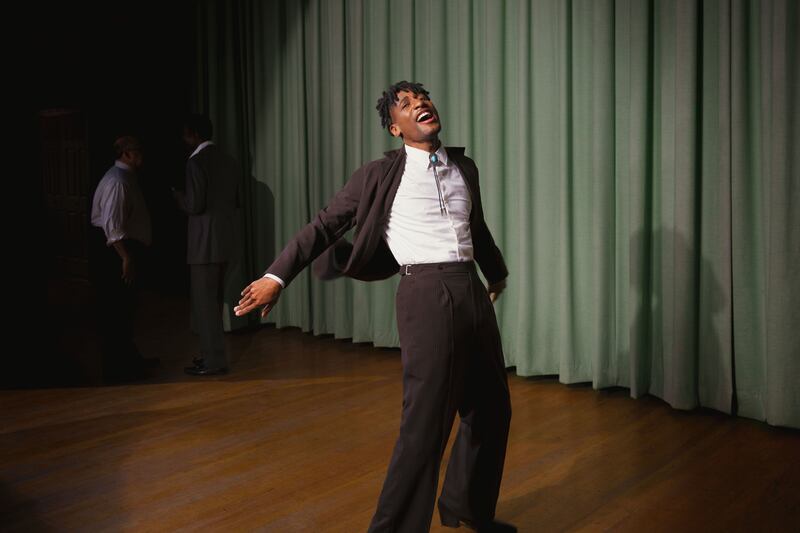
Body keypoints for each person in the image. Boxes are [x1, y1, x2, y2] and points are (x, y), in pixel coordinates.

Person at [235, 81, 515, 532]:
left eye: (422, 98)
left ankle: (468, 505)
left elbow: (476, 228)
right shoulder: (379, 175)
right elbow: (324, 226)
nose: (419, 104)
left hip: (471, 289)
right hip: (426, 293)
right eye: (406, 103)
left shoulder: (464, 167)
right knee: (425, 425)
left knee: (492, 409)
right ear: (395, 128)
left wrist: (495, 275)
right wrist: (276, 277)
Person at [173, 114, 240, 376]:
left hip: (204, 245)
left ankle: (213, 361)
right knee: (215, 303)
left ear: (194, 135)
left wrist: (178, 197)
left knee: (205, 306)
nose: (184, 140)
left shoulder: (195, 162)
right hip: (226, 240)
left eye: (186, 135)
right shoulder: (229, 161)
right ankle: (211, 356)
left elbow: (195, 205)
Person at [90, 135, 155, 382]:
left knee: (126, 309)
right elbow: (113, 225)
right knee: (117, 309)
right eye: (137, 151)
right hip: (117, 251)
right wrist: (125, 258)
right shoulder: (117, 181)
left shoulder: (126, 177)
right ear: (125, 154)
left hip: (124, 248)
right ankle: (118, 369)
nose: (141, 156)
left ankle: (129, 360)